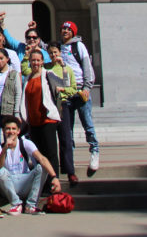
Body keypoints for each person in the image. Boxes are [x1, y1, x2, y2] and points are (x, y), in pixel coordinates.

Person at [0, 116, 60, 215]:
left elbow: (42, 159)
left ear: (18, 131)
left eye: (13, 129)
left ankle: (31, 205)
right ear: (3, 131)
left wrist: (54, 177)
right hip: (9, 184)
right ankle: (16, 204)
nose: (11, 131)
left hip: (25, 181)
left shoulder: (25, 143)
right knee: (0, 172)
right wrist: (5, 148)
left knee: (41, 168)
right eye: (8, 129)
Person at [59, 20, 100, 175]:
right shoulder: (59, 47)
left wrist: (87, 87)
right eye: (63, 29)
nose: (65, 31)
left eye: (68, 30)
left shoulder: (79, 46)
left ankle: (94, 151)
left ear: (73, 32)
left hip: (80, 91)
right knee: (67, 129)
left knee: (87, 123)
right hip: (67, 93)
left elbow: (87, 66)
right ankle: (71, 158)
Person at [20, 49, 61, 182]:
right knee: (39, 155)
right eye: (33, 60)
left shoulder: (48, 75)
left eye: (38, 60)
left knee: (51, 153)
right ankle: (43, 184)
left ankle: (54, 182)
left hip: (47, 120)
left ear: (42, 61)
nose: (35, 63)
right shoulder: (27, 78)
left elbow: (64, 83)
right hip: (33, 122)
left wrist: (63, 67)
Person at [46, 42, 79, 184]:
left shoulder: (67, 69)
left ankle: (70, 171)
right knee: (51, 141)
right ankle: (54, 173)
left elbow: (72, 88)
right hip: (50, 105)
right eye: (51, 53)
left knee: (66, 138)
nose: (54, 55)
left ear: (60, 52)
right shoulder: (46, 68)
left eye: (55, 52)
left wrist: (63, 90)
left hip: (63, 105)